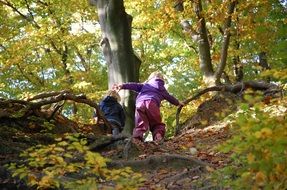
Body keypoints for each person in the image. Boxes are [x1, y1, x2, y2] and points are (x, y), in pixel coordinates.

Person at [113, 71, 184, 142]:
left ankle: (137, 139)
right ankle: (158, 135)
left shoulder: (146, 85)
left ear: (150, 78)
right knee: (156, 123)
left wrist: (122, 85)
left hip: (140, 104)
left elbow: (133, 85)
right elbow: (170, 98)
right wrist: (178, 103)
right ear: (162, 79)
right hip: (152, 103)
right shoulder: (162, 89)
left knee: (140, 124)